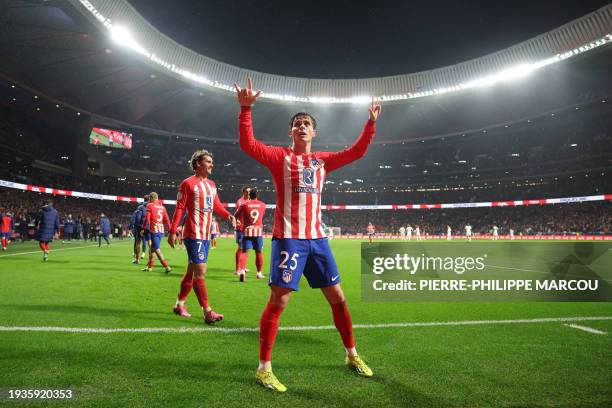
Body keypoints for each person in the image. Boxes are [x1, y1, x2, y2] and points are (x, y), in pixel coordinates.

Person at [235, 78, 381, 392]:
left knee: (338, 298)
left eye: (307, 124)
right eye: (297, 123)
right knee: (279, 300)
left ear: (313, 133)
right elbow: (248, 145)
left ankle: (352, 355)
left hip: (317, 239)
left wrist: (370, 123)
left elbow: (356, 152)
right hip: (289, 239)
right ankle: (263, 369)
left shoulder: (322, 161)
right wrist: (246, 110)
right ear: (291, 132)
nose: (302, 126)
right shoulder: (279, 158)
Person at [167, 149, 237, 324]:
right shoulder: (187, 184)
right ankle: (207, 312)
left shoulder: (211, 185)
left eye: (211, 162)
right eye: (208, 161)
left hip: (206, 235)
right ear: (198, 163)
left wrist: (228, 215)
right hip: (193, 233)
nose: (211, 164)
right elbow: (180, 208)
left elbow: (217, 206)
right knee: (200, 271)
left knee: (191, 272)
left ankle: (179, 304)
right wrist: (172, 230)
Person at [235, 188, 266, 281]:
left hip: (247, 231)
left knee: (245, 252)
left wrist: (238, 221)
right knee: (259, 252)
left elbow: (236, 215)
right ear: (257, 195)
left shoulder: (244, 204)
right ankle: (259, 273)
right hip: (258, 231)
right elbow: (262, 215)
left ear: (249, 195)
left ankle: (242, 271)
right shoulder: (263, 205)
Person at [141, 192, 172, 273]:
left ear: (151, 198)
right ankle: (149, 267)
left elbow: (147, 219)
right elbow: (167, 220)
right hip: (161, 231)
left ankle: (167, 267)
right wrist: (170, 230)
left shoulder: (150, 205)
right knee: (152, 249)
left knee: (157, 250)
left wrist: (143, 228)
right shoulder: (162, 207)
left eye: (149, 199)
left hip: (154, 231)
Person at [234, 186, 250, 274]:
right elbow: (237, 214)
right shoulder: (240, 202)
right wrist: (237, 221)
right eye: (246, 192)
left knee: (246, 248)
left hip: (248, 228)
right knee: (240, 247)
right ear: (243, 192)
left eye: (249, 192)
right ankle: (237, 269)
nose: (248, 193)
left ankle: (243, 266)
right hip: (241, 228)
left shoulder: (251, 201)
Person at [131, 194, 150, 263]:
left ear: (143, 199)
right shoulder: (151, 206)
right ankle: (150, 261)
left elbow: (138, 218)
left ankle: (137, 259)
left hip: (140, 227)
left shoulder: (140, 207)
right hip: (149, 227)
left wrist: (136, 227)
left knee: (138, 242)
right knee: (149, 243)